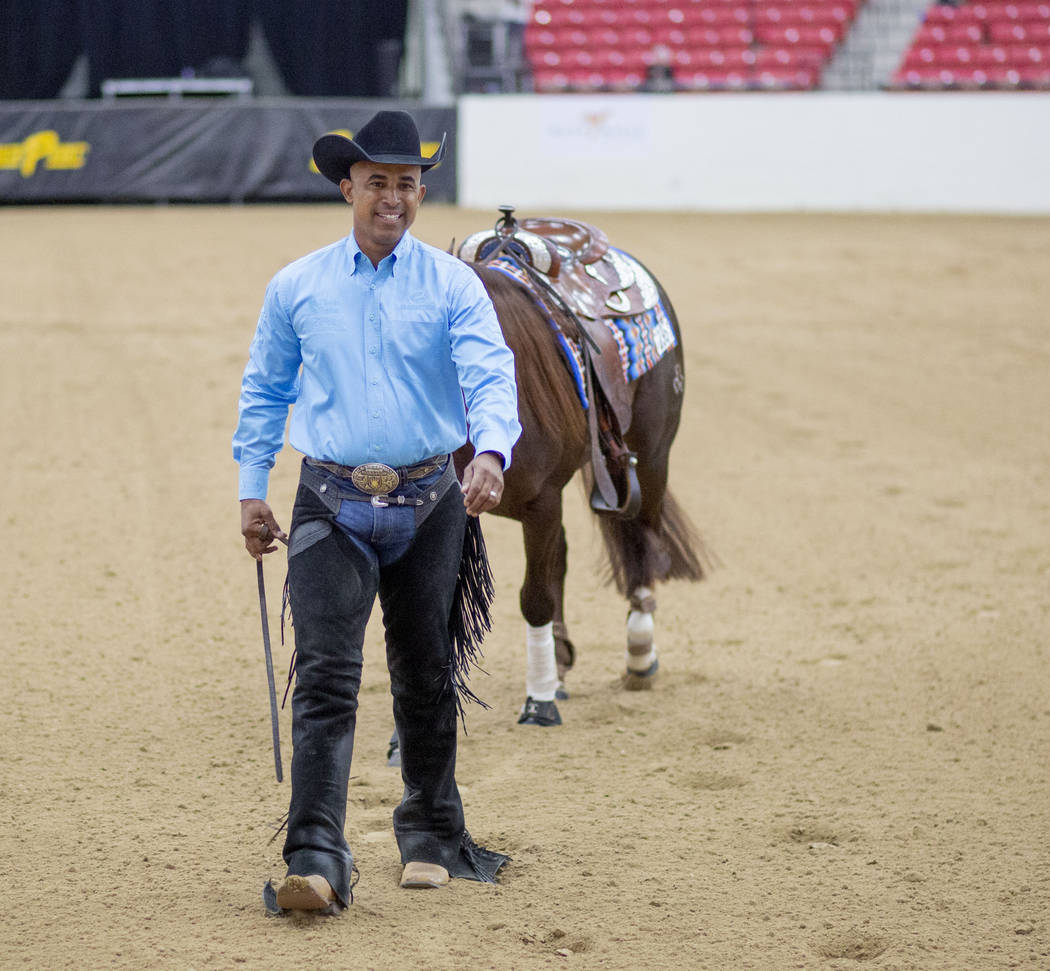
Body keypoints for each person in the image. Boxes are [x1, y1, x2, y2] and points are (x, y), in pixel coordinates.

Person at [233, 110, 521, 914]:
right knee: (325, 676)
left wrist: (492, 450)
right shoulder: (297, 285)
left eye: (406, 184)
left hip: (433, 497)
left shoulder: (455, 285)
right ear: (346, 186)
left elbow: (490, 377)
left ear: (421, 192)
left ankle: (429, 832)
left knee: (428, 672)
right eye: (376, 183)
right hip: (328, 498)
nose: (391, 197)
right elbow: (264, 390)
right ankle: (316, 854)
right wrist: (253, 488)